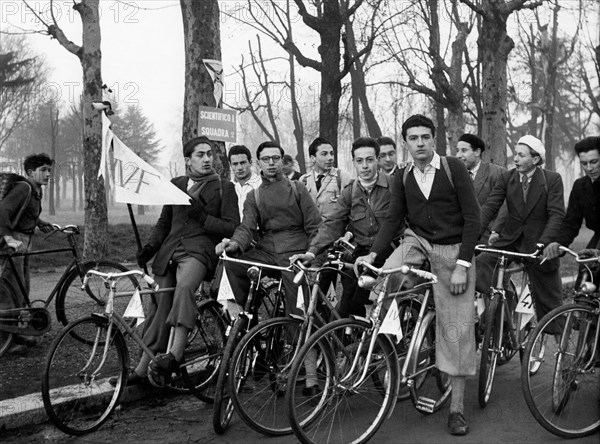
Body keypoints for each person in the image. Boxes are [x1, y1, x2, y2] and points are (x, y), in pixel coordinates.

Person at [354, 115, 480, 436]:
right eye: (413, 138)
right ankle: (386, 348)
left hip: (453, 250)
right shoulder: (403, 175)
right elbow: (395, 217)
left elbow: (472, 219)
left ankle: (456, 409)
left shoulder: (454, 168)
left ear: (434, 139)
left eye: (425, 137)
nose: (420, 143)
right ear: (405, 143)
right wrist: (373, 254)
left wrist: (463, 265)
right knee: (385, 279)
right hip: (418, 241)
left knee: (456, 327)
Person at [129, 136, 240, 386]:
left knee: (184, 289)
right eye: (200, 155)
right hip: (168, 253)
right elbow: (164, 224)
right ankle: (143, 367)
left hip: (199, 253)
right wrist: (150, 247)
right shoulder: (175, 185)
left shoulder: (225, 187)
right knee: (158, 304)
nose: (207, 159)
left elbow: (233, 227)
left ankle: (175, 354)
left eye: (210, 154)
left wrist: (203, 218)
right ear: (188, 160)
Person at [216, 141, 321, 394]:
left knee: (299, 312)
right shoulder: (255, 196)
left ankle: (311, 377)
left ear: (282, 161)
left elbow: (316, 227)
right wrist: (233, 244)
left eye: (275, 158)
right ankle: (245, 320)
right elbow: (247, 227)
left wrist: (312, 255)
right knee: (235, 266)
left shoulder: (298, 189)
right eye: (266, 159)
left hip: (295, 253)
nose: (271, 163)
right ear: (259, 163)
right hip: (266, 251)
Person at [290, 137, 397, 317]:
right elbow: (333, 223)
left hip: (389, 253)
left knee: (378, 304)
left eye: (370, 160)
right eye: (359, 161)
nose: (365, 166)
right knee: (347, 304)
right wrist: (312, 252)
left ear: (377, 160)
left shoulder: (394, 186)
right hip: (361, 254)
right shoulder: (350, 191)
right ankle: (350, 339)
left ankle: (386, 341)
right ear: (353, 162)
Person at [476, 135, 565, 332]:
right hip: (511, 239)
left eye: (521, 155)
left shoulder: (551, 179)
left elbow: (557, 215)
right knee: (482, 262)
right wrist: (472, 233)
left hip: (538, 242)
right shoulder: (507, 178)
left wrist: (544, 243)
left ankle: (559, 347)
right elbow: (491, 206)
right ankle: (499, 316)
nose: (515, 159)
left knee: (549, 296)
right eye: (515, 154)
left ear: (534, 160)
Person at [0, 153, 54, 353]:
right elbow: (3, 211)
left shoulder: (35, 190)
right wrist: (9, 239)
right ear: (31, 172)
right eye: (43, 170)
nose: (48, 174)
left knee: (22, 289)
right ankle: (7, 340)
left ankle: (19, 333)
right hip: (14, 243)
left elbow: (26, 213)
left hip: (25, 243)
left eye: (49, 170)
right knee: (10, 293)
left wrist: (41, 223)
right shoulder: (24, 188)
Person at [543, 136, 600, 260]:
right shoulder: (580, 186)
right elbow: (571, 221)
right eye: (584, 163)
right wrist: (559, 243)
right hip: (597, 240)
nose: (589, 168)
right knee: (586, 270)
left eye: (594, 162)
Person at [455, 133, 506, 245]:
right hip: (459, 239)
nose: (458, 155)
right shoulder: (455, 175)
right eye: (457, 150)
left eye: (464, 150)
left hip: (488, 239)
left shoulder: (497, 173)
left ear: (477, 152)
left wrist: (495, 231)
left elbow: (505, 207)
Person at [300, 137, 353, 221]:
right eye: (324, 154)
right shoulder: (304, 180)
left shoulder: (342, 176)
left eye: (331, 153)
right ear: (313, 158)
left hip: (334, 231)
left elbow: (351, 208)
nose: (330, 158)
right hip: (311, 231)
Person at [228, 144, 261, 220]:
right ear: (230, 165)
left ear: (250, 162)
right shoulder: (228, 187)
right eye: (235, 164)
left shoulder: (261, 184)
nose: (239, 168)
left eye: (243, 163)